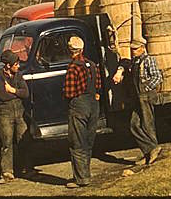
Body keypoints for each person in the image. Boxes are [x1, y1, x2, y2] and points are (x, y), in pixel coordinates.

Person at [113, 38, 163, 173]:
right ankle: (149, 150)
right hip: (137, 98)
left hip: (145, 97)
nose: (133, 51)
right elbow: (124, 62)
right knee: (134, 125)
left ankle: (152, 152)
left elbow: (157, 77)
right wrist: (120, 70)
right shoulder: (134, 62)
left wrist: (146, 89)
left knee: (147, 124)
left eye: (135, 49)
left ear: (142, 48)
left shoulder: (148, 60)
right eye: (132, 49)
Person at [63, 35, 101, 188]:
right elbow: (97, 85)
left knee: (77, 142)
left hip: (79, 105)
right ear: (82, 49)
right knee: (88, 141)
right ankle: (86, 173)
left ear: (70, 50)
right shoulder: (91, 65)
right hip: (93, 104)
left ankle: (81, 178)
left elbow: (69, 92)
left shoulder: (73, 67)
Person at [0, 49, 30, 183]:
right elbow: (3, 95)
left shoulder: (18, 75)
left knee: (23, 139)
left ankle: (26, 168)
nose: (18, 66)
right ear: (8, 65)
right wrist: (17, 93)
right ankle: (7, 172)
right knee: (6, 142)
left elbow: (26, 93)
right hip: (5, 113)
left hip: (19, 111)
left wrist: (12, 90)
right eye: (15, 64)